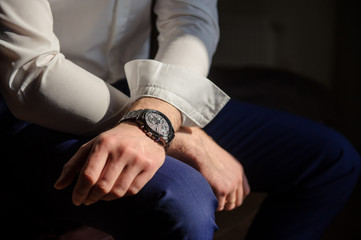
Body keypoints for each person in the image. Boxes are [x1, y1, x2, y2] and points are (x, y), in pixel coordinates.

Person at [0, 0, 360, 239]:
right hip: (27, 105)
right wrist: (176, 135)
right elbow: (29, 72)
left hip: (135, 88)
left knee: (331, 161)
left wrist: (157, 116)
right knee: (183, 202)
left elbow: (191, 21)